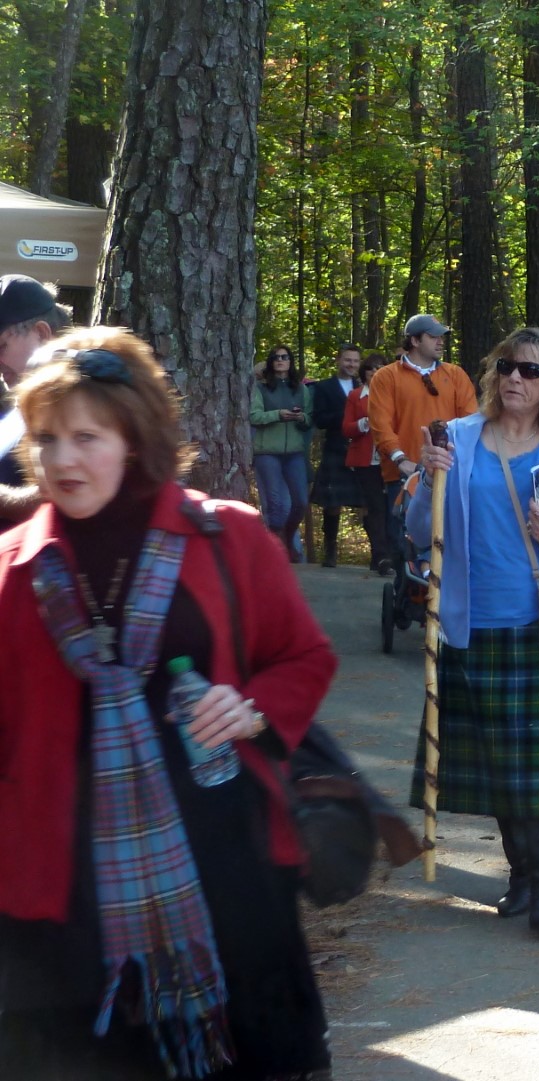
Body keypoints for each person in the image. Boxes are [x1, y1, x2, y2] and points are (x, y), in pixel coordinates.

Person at [0, 328, 337, 1078]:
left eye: (85, 436)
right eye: (45, 438)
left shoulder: (228, 539)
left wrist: (251, 705)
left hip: (230, 890)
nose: (60, 461)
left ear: (135, 434)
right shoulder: (14, 568)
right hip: (58, 916)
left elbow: (307, 656)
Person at [408, 326, 539, 938]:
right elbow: (422, 531)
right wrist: (426, 474)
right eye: (507, 367)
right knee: (503, 766)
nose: (515, 379)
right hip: (476, 624)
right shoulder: (459, 438)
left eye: (531, 371)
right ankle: (521, 874)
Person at [369, 313, 476, 574]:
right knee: (405, 542)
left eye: (442, 337)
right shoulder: (386, 376)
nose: (440, 342)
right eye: (433, 336)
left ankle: (442, 591)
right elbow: (380, 423)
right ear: (415, 340)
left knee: (452, 536)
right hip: (405, 474)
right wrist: (400, 459)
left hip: (451, 472)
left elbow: (472, 421)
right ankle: (406, 599)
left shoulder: (455, 374)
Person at [0, 274, 71, 523]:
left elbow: (70, 492)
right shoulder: (14, 412)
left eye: (1, 347)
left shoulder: (81, 399)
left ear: (42, 333)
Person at [249, 344, 313, 561]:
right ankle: (276, 549)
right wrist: (278, 414)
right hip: (267, 451)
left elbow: (309, 420)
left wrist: (300, 417)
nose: (280, 360)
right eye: (276, 357)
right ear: (270, 361)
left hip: (294, 452)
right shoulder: (261, 387)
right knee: (276, 504)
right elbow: (254, 416)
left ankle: (287, 535)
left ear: (290, 361)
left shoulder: (300, 389)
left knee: (301, 502)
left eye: (284, 357)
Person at [307, 343, 364, 567]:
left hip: (361, 448)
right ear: (338, 361)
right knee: (332, 503)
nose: (351, 364)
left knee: (368, 500)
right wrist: (346, 415)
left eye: (355, 361)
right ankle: (330, 551)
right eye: (347, 360)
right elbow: (319, 420)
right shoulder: (324, 387)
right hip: (335, 447)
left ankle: (379, 554)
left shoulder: (364, 385)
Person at [340, 352, 390, 570]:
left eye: (380, 368)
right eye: (371, 368)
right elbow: (346, 428)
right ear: (364, 373)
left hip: (392, 459)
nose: (376, 372)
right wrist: (364, 423)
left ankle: (388, 554)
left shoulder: (395, 395)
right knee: (376, 506)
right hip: (365, 461)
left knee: (391, 508)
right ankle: (380, 555)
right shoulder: (355, 396)